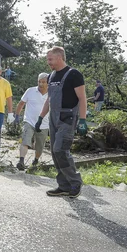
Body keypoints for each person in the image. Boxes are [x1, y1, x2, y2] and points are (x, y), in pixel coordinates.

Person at [36, 46, 88, 198]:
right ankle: (63, 186)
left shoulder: (74, 74)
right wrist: (40, 117)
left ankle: (75, 182)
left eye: (50, 59)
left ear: (59, 57)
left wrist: (83, 120)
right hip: (53, 117)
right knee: (54, 151)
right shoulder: (51, 76)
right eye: (47, 59)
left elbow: (82, 98)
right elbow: (49, 100)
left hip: (68, 117)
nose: (48, 62)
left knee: (61, 150)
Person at [14, 73, 49, 170]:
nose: (41, 84)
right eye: (39, 82)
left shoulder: (51, 93)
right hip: (29, 121)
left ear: (48, 83)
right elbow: (21, 104)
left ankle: (36, 160)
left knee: (39, 146)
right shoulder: (30, 91)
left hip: (44, 124)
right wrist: (17, 116)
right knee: (25, 140)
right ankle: (21, 161)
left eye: (43, 82)